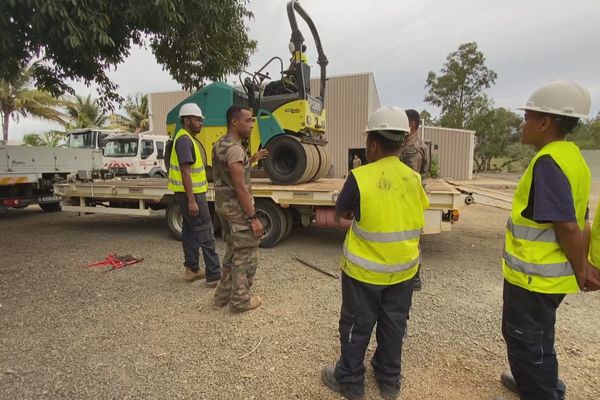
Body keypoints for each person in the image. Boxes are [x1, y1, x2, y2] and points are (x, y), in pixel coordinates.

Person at [498, 81, 598, 400]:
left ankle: (540, 390)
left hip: (534, 278)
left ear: (546, 122)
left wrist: (581, 267)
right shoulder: (572, 157)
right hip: (546, 278)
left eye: (527, 117)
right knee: (540, 335)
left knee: (526, 340)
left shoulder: (548, 161)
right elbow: (581, 220)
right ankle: (538, 381)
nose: (522, 123)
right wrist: (580, 264)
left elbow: (567, 225)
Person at [321, 106, 429, 400]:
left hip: (363, 273)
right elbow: (416, 212)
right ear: (402, 141)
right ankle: (389, 379)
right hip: (404, 271)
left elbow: (342, 212)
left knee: (357, 324)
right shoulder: (413, 179)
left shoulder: (360, 177)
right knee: (394, 325)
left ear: (372, 143)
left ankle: (351, 381)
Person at [212, 105, 269, 312]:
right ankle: (240, 300)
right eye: (248, 120)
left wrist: (251, 159)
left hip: (224, 208)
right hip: (238, 211)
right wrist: (253, 217)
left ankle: (221, 297)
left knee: (232, 252)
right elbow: (240, 186)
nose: (252, 125)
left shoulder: (220, 144)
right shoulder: (235, 148)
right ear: (234, 122)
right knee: (245, 255)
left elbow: (229, 172)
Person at [168, 103, 221, 287]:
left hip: (188, 194)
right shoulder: (184, 140)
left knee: (190, 231)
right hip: (192, 196)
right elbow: (185, 172)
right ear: (186, 120)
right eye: (198, 120)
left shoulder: (185, 138)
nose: (201, 124)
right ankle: (214, 275)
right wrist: (192, 200)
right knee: (206, 231)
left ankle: (192, 269)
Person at [400, 109, 430, 290]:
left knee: (411, 239)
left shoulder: (412, 147)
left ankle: (414, 277)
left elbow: (410, 178)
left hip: (409, 199)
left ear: (411, 124)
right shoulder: (412, 143)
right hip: (412, 198)